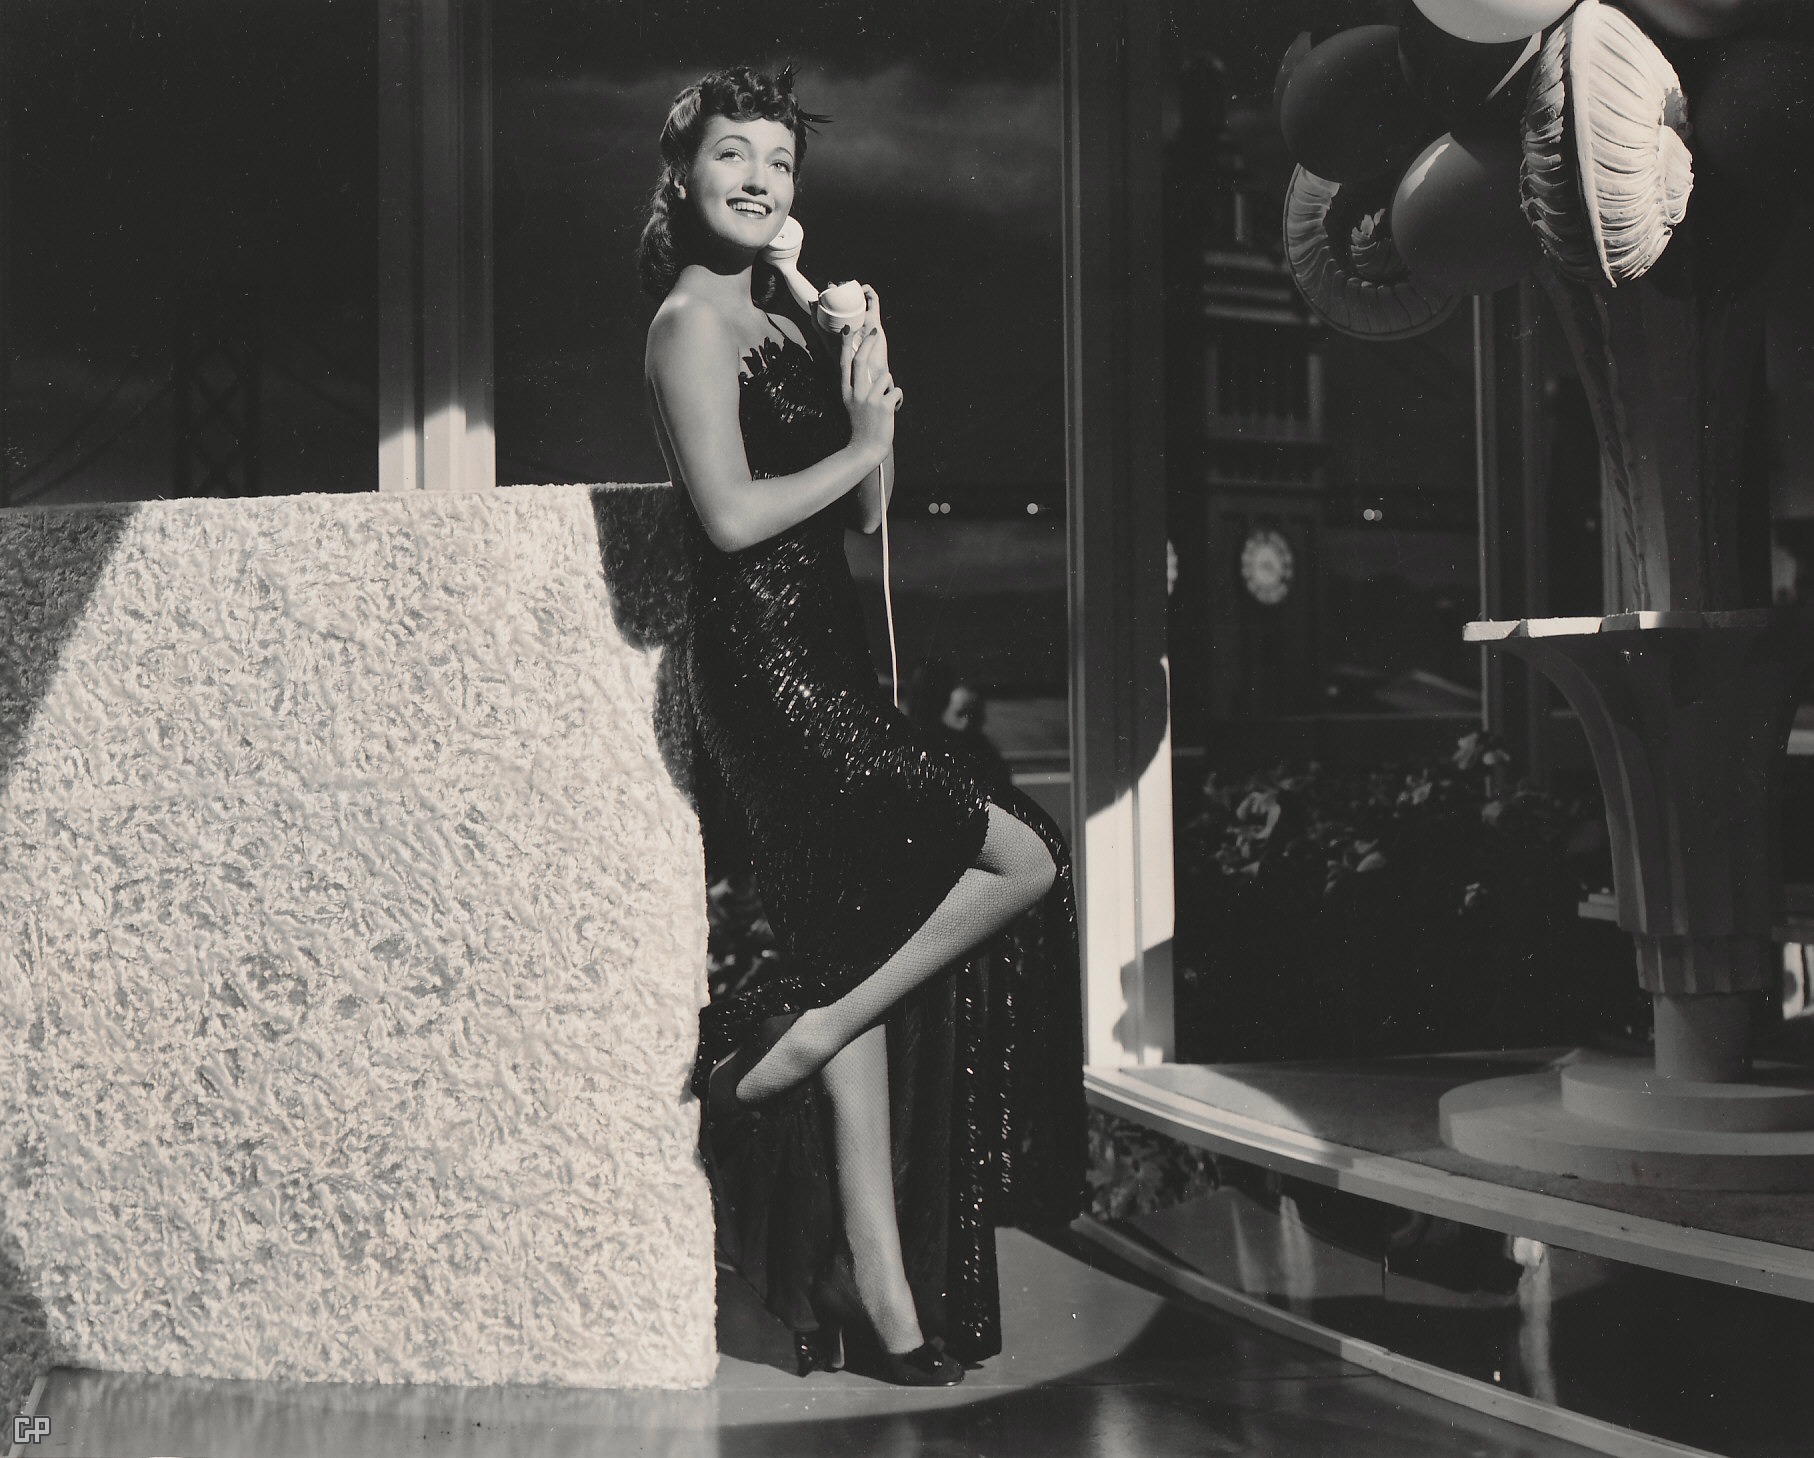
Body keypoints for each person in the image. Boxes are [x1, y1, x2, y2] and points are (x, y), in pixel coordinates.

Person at [639, 66, 1084, 1386]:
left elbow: (869, 516)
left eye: (779, 162)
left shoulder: (781, 313)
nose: (758, 180)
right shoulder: (687, 324)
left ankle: (880, 1297)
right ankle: (803, 1037)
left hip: (824, 648)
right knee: (1025, 854)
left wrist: (861, 370)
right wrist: (856, 446)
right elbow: (730, 518)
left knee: (853, 941)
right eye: (734, 154)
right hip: (766, 671)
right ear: (684, 174)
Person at [906, 659, 1013, 795]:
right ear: (942, 711)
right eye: (960, 714)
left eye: (973, 714)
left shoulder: (986, 754)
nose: (966, 722)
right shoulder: (927, 746)